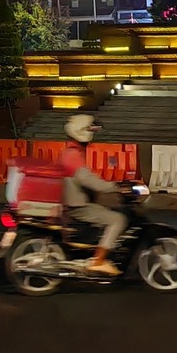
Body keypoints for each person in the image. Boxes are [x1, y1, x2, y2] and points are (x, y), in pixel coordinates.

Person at [58, 114, 125, 275]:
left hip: (73, 201)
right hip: (76, 206)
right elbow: (87, 180)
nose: (93, 134)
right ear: (82, 131)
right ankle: (99, 261)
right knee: (117, 220)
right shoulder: (73, 155)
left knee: (104, 210)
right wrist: (115, 187)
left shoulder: (71, 151)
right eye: (90, 130)